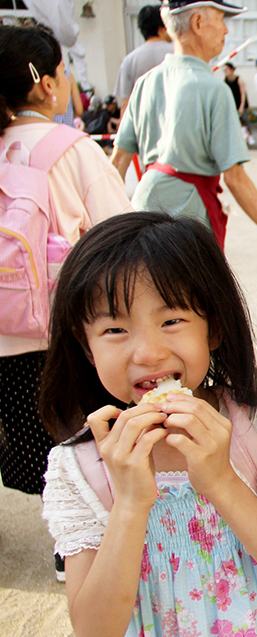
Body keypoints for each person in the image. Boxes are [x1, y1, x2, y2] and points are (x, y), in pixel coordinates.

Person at [38, 212, 257, 637]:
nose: (148, 352)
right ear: (85, 343)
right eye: (114, 329)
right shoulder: (80, 468)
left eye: (171, 320)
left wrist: (221, 480)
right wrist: (130, 502)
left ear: (213, 326)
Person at [0, 24, 130, 524]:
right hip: (66, 330)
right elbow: (119, 234)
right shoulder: (72, 147)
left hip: (6, 339)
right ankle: (82, 532)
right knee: (81, 433)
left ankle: (59, 525)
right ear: (46, 83)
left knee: (30, 440)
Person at [110, 0, 257, 270]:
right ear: (197, 24)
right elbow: (235, 177)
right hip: (186, 218)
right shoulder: (213, 89)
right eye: (220, 20)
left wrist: (109, 225)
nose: (225, 31)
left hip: (142, 208)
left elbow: (117, 162)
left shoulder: (146, 81)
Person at [113, 3, 173, 113]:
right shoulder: (178, 53)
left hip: (143, 123)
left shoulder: (129, 60)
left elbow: (126, 103)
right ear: (161, 28)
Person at [221, 61, 253, 145]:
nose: (225, 71)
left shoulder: (238, 79)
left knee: (245, 120)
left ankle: (249, 136)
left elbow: (243, 93)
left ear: (232, 70)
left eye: (226, 69)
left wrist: (242, 105)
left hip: (241, 102)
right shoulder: (225, 81)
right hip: (233, 103)